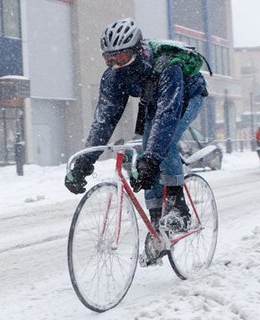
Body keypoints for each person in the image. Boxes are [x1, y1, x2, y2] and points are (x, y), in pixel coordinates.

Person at [64, 18, 208, 233]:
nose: (116, 64)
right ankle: (158, 224)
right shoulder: (113, 77)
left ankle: (178, 208)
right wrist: (84, 162)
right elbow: (103, 121)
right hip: (154, 100)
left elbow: (167, 115)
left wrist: (151, 160)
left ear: (138, 50)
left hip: (187, 96)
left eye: (121, 56)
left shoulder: (167, 64)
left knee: (161, 147)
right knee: (144, 154)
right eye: (109, 58)